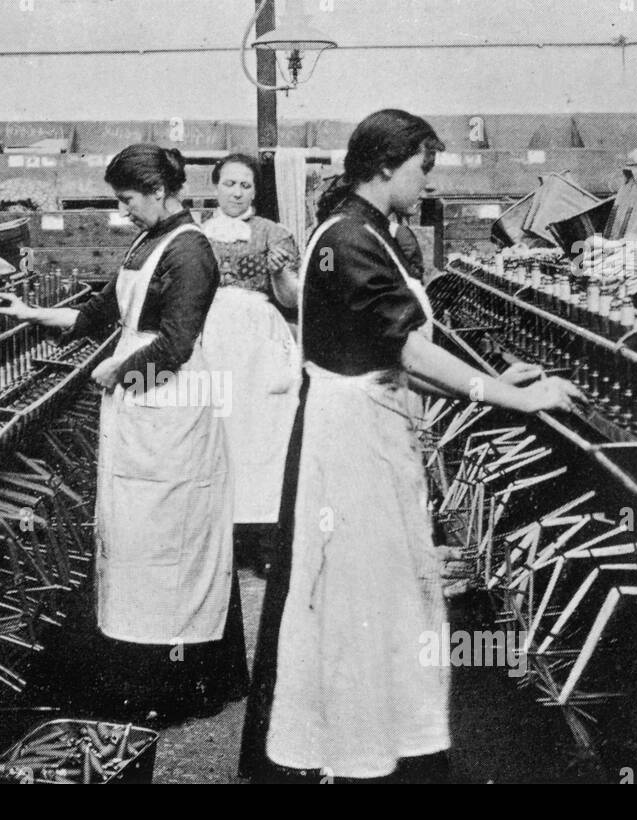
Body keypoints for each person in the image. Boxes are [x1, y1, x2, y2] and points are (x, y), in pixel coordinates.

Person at [239, 109, 582, 783]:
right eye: (424, 167)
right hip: (352, 441)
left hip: (369, 430)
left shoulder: (370, 233)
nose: (428, 183)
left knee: (383, 596)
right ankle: (358, 749)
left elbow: (407, 341)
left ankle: (384, 741)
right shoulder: (351, 237)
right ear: (387, 164)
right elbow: (403, 345)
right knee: (361, 597)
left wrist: (485, 375)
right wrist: (507, 395)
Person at [0, 143, 247, 723]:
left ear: (158, 191)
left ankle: (177, 686)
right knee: (137, 541)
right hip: (139, 409)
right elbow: (102, 315)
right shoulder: (146, 241)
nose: (124, 208)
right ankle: (137, 667)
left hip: (172, 410)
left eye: (128, 198)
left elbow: (178, 346)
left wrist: (117, 372)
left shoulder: (191, 251)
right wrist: (30, 314)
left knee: (171, 543)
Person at [198, 154, 302, 565]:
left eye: (246, 185)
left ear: (257, 191)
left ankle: (264, 541)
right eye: (229, 184)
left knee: (264, 435)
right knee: (220, 431)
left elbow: (292, 300)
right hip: (214, 341)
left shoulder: (275, 234)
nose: (237, 193)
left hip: (259, 343)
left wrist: (278, 273)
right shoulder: (197, 234)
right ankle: (221, 539)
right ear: (216, 186)